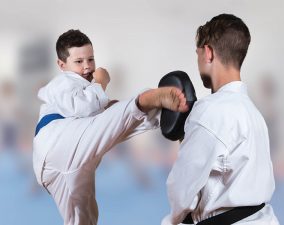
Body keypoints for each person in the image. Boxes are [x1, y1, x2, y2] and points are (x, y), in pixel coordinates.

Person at [32, 29, 189, 225]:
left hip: (62, 167)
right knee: (117, 116)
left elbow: (101, 115)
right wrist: (100, 83)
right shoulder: (62, 82)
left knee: (85, 221)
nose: (87, 67)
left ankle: (156, 110)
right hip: (59, 141)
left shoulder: (84, 91)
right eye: (79, 62)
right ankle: (151, 101)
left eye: (91, 59)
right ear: (61, 65)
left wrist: (107, 101)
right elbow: (85, 108)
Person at [161, 14, 279, 225]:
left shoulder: (209, 111)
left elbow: (181, 193)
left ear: (208, 52)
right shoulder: (253, 114)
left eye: (197, 53)